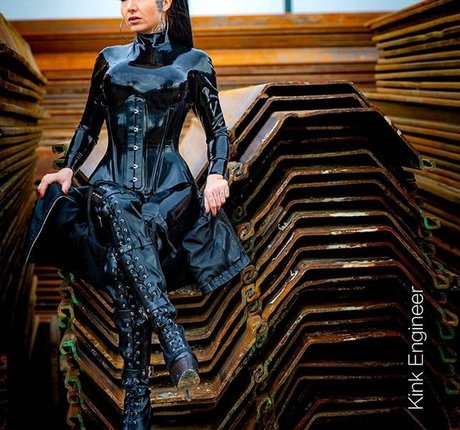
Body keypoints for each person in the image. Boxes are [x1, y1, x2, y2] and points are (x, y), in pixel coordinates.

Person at [25, 0, 250, 428]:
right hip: (112, 188)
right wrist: (68, 167)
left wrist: (217, 173)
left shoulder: (194, 62)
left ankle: (136, 398)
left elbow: (217, 130)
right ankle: (171, 336)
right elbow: (89, 125)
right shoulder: (109, 60)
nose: (129, 6)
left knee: (124, 249)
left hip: (170, 193)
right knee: (116, 205)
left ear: (166, 2)